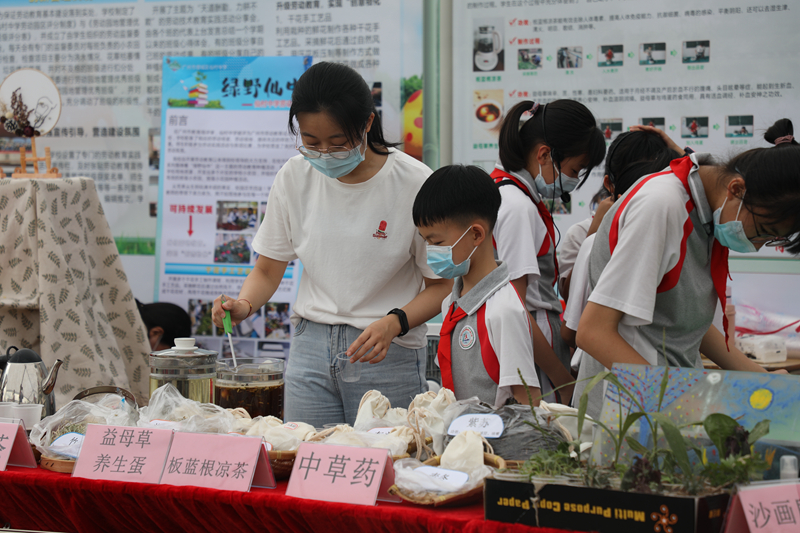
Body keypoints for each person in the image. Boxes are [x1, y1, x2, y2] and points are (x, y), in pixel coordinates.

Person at [212, 62, 451, 427]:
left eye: (338, 143)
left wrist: (394, 323)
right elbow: (267, 268)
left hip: (384, 351)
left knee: (387, 468)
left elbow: (440, 286)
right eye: (311, 142)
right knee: (306, 464)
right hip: (310, 350)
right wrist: (244, 305)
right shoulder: (294, 176)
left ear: (368, 124)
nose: (324, 153)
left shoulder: (415, 183)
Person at [576, 118, 800, 414]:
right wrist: (675, 405)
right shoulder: (662, 206)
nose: (758, 245)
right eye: (764, 230)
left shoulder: (708, 211)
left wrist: (764, 380)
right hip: (629, 412)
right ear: (736, 189)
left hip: (669, 394)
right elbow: (594, 332)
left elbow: (685, 320)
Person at [559, 129, 683, 411]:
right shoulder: (595, 243)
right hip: (620, 393)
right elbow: (581, 332)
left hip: (651, 388)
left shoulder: (678, 232)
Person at [491, 99, 605, 404]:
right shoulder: (516, 207)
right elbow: (517, 309)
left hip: (532, 349)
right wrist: (562, 379)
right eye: (574, 169)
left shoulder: (509, 196)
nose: (572, 182)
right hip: (534, 353)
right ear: (544, 154)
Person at [413, 165, 541, 408]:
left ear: (476, 235)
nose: (430, 252)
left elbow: (528, 400)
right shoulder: (451, 302)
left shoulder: (504, 310)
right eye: (425, 241)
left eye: (437, 242)